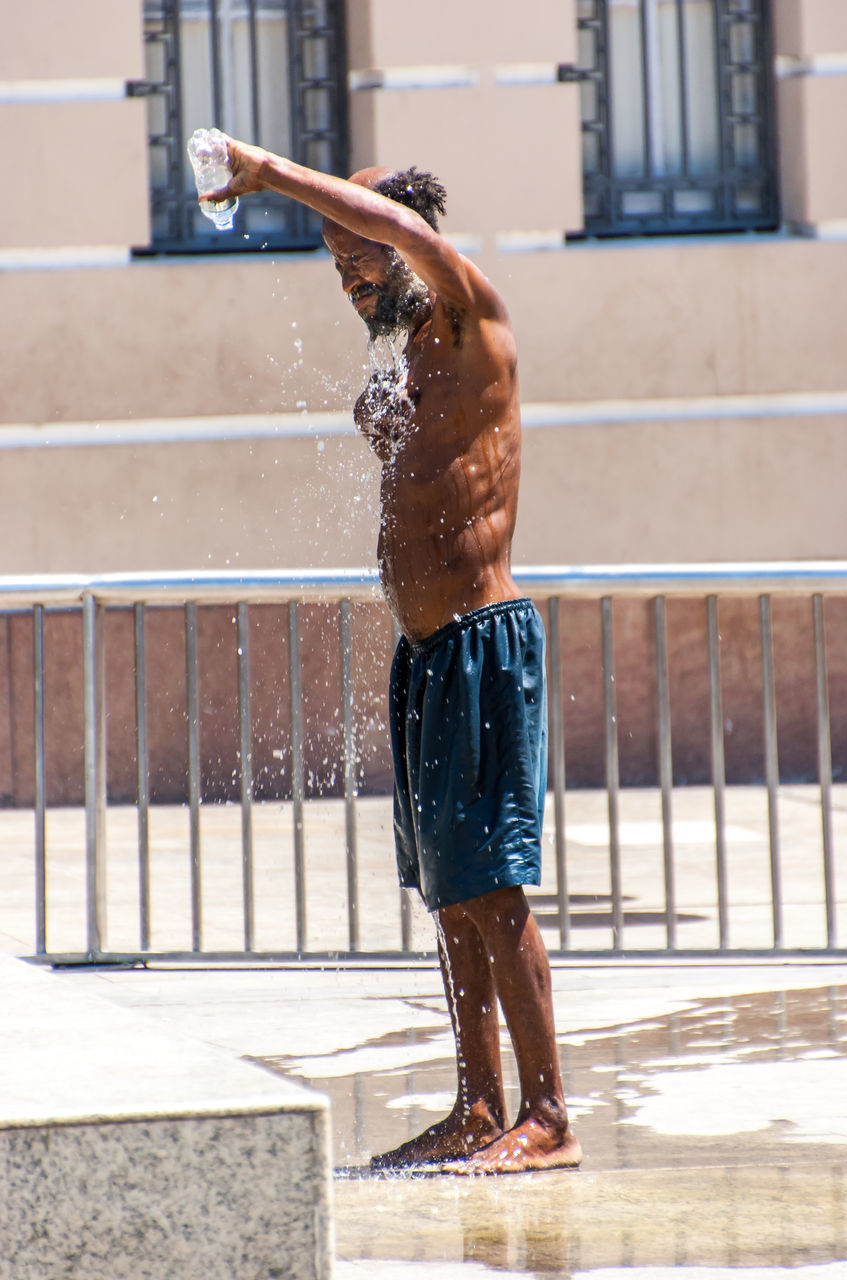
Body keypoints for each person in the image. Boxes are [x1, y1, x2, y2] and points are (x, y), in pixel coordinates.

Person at [204, 141, 582, 1174]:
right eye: (336, 268)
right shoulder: (409, 356)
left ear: (411, 242)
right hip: (425, 653)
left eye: (358, 254)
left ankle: (545, 1115)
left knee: (494, 888)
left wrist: (265, 173)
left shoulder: (470, 311)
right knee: (448, 888)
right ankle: (476, 1103)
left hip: (480, 643)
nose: (350, 277)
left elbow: (402, 234)